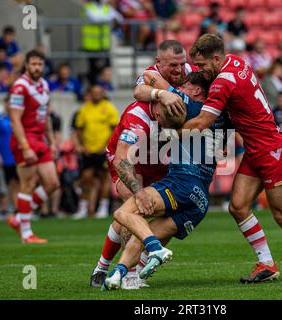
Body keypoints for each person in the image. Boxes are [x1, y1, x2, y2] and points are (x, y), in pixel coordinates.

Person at [178, 34, 282, 283]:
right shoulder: (237, 62)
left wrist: (169, 133)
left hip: (273, 150)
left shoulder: (222, 82)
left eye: (202, 65)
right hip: (255, 149)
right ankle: (267, 264)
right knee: (238, 206)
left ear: (216, 58)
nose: (200, 70)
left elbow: (203, 122)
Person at [102, 71, 229, 289]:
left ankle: (156, 249)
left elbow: (149, 76)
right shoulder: (221, 117)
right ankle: (119, 276)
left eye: (184, 86)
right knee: (142, 232)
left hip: (182, 182)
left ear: (197, 91)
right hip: (200, 201)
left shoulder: (189, 106)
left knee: (123, 213)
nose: (179, 89)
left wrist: (161, 93)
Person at [90, 39, 192, 290]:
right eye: (173, 65)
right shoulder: (140, 114)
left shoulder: (189, 76)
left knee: (163, 214)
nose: (179, 70)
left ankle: (103, 268)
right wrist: (138, 192)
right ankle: (130, 274)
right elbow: (122, 159)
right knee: (135, 208)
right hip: (128, 160)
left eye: (182, 64)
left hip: (158, 159)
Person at [7, 49, 60, 243]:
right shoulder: (20, 87)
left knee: (53, 183)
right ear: (26, 65)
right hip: (24, 139)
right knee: (28, 184)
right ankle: (26, 233)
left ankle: (19, 218)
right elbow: (14, 119)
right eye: (33, 64)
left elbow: (45, 116)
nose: (37, 67)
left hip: (40, 139)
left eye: (40, 64)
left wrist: (52, 142)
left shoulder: (44, 85)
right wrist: (25, 146)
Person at [72, 85, 119, 219]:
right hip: (88, 150)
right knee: (86, 178)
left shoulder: (108, 107)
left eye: (99, 92)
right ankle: (83, 207)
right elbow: (79, 129)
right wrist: (80, 145)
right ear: (90, 94)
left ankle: (103, 208)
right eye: (94, 92)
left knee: (105, 178)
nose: (97, 95)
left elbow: (115, 129)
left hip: (103, 150)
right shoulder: (84, 109)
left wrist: (108, 146)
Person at [0, 97, 19, 215]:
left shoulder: (18, 118)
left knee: (17, 183)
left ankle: (17, 207)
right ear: (5, 103)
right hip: (4, 157)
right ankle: (5, 207)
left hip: (17, 157)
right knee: (4, 183)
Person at [81, 0, 124, 85]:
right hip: (91, 45)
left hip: (104, 44)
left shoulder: (106, 7)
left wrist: (108, 16)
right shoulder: (87, 7)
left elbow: (120, 18)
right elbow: (96, 19)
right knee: (93, 68)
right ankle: (92, 85)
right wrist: (110, 17)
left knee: (106, 68)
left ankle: (104, 86)